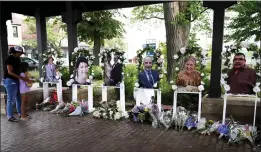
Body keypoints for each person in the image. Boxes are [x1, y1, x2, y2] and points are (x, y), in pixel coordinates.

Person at [3, 46, 33, 122]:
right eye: (20, 53)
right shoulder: (9, 59)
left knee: (18, 98)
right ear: (16, 52)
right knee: (11, 99)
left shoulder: (17, 59)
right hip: (10, 80)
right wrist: (22, 78)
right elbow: (10, 72)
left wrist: (26, 76)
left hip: (17, 80)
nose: (21, 54)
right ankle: (10, 116)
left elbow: (19, 70)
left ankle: (21, 114)